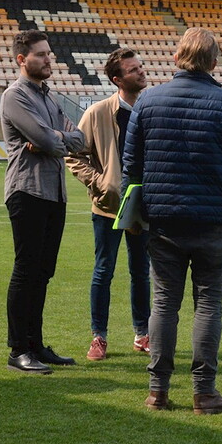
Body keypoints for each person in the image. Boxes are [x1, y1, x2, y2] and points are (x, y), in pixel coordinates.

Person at [122, 27, 222, 414]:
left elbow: (131, 166)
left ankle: (158, 391)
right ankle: (204, 392)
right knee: (208, 304)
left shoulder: (148, 101)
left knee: (164, 304)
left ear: (177, 58)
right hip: (214, 220)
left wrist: (138, 211)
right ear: (213, 62)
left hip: (163, 220)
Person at [0, 29, 86, 374]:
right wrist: (54, 140)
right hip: (28, 191)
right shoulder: (15, 96)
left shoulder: (49, 97)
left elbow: (78, 139)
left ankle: (35, 345)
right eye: (41, 54)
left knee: (43, 273)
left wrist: (55, 138)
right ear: (22, 59)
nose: (49, 59)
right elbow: (49, 142)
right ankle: (18, 349)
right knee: (26, 270)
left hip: (54, 192)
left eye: (49, 53)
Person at [66, 48, 151, 362]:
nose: (141, 72)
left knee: (141, 272)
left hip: (143, 204)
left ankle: (143, 334)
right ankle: (98, 336)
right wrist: (101, 184)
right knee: (104, 271)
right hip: (108, 205)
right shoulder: (98, 113)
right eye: (133, 70)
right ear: (117, 79)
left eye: (140, 67)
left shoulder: (151, 108)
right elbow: (74, 156)